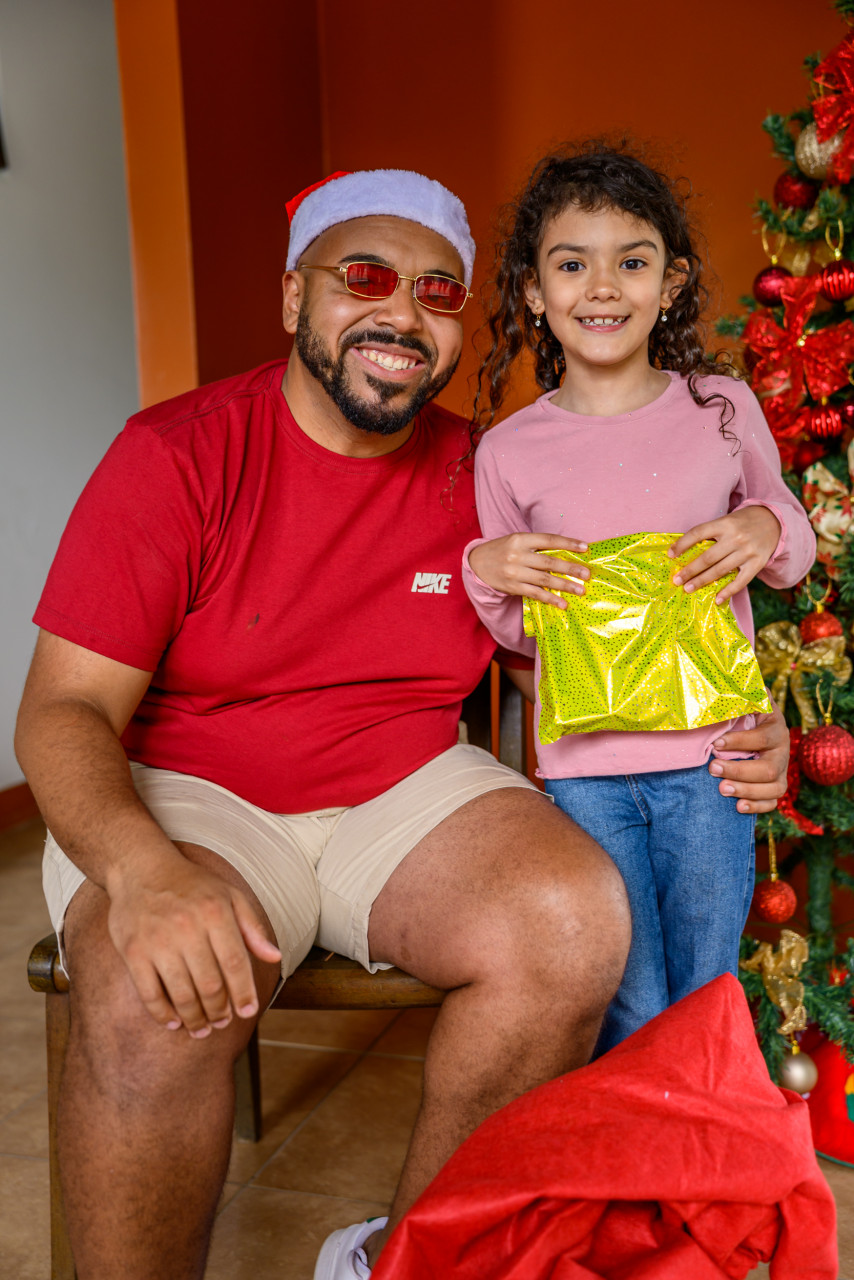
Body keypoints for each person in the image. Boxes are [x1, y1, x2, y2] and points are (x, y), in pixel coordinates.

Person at [15, 167, 789, 1280]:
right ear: (295, 296)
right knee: (156, 990)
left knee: (572, 920)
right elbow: (64, 710)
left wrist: (739, 727)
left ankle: (406, 1259)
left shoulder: (489, 467)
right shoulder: (176, 453)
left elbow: (586, 658)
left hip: (407, 783)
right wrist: (143, 872)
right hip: (199, 791)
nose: (401, 314)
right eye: (364, 277)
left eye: (436, 292)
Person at [462, 142, 816, 1056]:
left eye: (632, 261)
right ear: (533, 292)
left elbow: (790, 547)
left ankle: (699, 1139)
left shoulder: (722, 408)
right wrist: (486, 569)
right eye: (571, 264)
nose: (602, 287)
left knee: (703, 987)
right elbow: (518, 633)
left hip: (713, 761)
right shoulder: (509, 452)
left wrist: (767, 526)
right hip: (584, 774)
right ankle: (637, 1141)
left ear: (671, 283)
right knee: (627, 996)